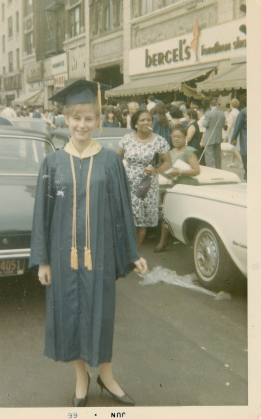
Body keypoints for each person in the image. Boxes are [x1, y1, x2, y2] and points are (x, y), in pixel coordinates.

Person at [29, 79, 147, 408]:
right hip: (62, 256)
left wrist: (132, 253)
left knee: (101, 314)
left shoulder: (109, 161)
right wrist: (43, 261)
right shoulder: (52, 163)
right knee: (69, 315)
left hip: (101, 256)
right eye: (77, 118)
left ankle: (107, 377)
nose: (82, 125)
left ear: (98, 121)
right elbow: (42, 214)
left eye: (89, 118)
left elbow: (123, 210)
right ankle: (81, 378)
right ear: (65, 119)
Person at [118, 108, 172, 250]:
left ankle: (134, 254)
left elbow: (168, 163)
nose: (146, 122)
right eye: (142, 120)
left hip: (146, 185)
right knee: (127, 219)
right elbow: (117, 160)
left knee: (140, 221)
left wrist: (155, 170)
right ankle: (125, 251)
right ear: (135, 123)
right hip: (127, 184)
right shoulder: (126, 139)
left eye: (149, 120)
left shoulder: (160, 141)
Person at [154, 124, 200, 252]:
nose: (176, 139)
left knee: (188, 216)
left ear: (185, 137)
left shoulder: (189, 151)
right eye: (173, 136)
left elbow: (196, 171)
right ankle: (162, 242)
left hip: (187, 188)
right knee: (167, 214)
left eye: (179, 137)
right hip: (173, 186)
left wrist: (179, 172)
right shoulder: (171, 151)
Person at [202, 98, 225, 169]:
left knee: (209, 155)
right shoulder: (222, 113)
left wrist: (202, 122)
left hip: (209, 137)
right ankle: (218, 169)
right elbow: (223, 125)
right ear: (217, 105)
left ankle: (211, 169)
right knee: (217, 155)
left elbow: (205, 124)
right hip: (218, 137)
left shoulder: (208, 113)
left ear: (210, 105)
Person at [226, 99, 243, 168]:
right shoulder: (238, 112)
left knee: (233, 148)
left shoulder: (231, 113)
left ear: (231, 105)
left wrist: (227, 133)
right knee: (235, 146)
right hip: (238, 130)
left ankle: (243, 162)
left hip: (232, 131)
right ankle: (232, 162)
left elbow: (230, 124)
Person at [231, 106, 247, 181]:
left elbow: (238, 126)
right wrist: (234, 138)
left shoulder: (244, 111)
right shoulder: (244, 112)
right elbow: (238, 126)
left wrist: (234, 138)